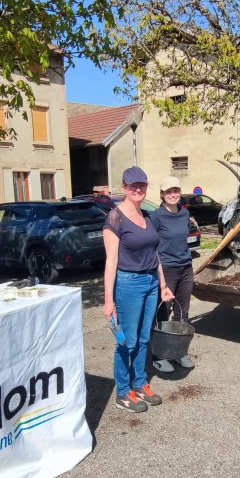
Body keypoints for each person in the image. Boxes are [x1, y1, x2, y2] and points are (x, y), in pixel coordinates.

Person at [102, 166, 175, 413]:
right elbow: (110, 261)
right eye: (133, 185)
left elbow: (155, 255)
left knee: (144, 338)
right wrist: (108, 300)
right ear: (124, 187)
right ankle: (123, 392)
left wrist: (163, 284)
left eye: (142, 185)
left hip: (151, 283)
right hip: (128, 285)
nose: (138, 189)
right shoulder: (115, 218)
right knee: (128, 341)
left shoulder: (146, 216)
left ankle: (140, 383)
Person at [148, 176, 196, 373]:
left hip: (186, 266)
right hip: (166, 268)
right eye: (168, 191)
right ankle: (159, 355)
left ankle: (179, 352)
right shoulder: (156, 217)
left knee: (182, 312)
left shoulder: (184, 215)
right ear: (162, 194)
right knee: (162, 312)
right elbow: (151, 247)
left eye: (175, 190)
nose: (173, 194)